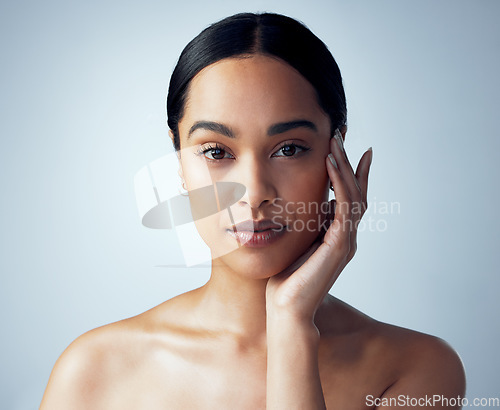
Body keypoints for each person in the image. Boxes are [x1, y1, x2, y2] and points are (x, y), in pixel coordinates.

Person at [40, 12, 466, 409]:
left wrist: (292, 325)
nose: (255, 192)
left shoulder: (418, 369)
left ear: (336, 152)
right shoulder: (93, 371)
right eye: (215, 151)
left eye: (289, 149)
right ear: (179, 164)